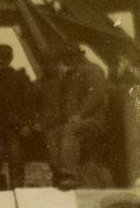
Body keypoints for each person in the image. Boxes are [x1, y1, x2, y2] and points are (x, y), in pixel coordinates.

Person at [39, 46, 108, 190]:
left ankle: (69, 174)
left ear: (74, 57)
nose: (64, 62)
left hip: (92, 121)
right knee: (53, 134)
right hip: (74, 121)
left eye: (65, 59)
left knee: (69, 130)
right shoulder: (70, 75)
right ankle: (59, 176)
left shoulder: (93, 70)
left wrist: (79, 115)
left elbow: (95, 96)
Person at [0, 44, 34, 191]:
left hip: (9, 129)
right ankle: (6, 197)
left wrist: (26, 125)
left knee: (6, 165)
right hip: (3, 129)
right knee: (1, 165)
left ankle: (8, 197)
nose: (0, 59)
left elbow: (28, 103)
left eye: (3, 56)